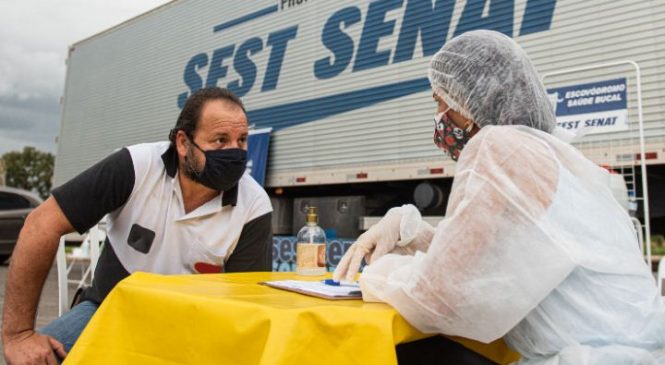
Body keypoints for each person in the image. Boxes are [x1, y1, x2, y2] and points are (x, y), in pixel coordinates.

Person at [334, 30, 665, 364]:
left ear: (474, 98)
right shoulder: (553, 156)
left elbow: (438, 299)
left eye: (439, 100)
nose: (437, 117)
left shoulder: (498, 148)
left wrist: (375, 274)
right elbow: (489, 258)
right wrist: (410, 231)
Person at [2, 87, 273, 364]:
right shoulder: (135, 166)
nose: (234, 153)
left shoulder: (254, 206)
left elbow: (246, 304)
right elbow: (40, 224)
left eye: (241, 141)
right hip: (108, 309)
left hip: (195, 329)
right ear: (183, 143)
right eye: (220, 140)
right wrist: (19, 335)